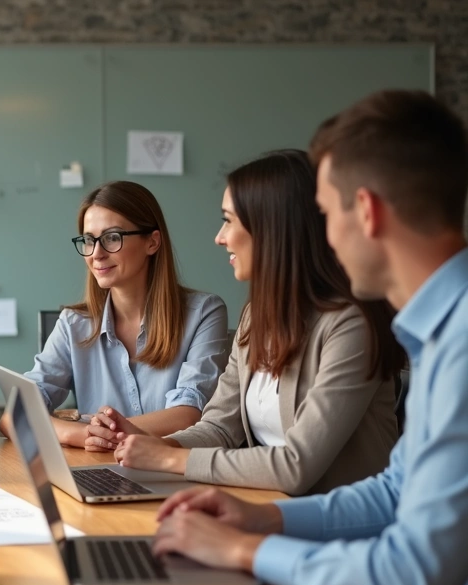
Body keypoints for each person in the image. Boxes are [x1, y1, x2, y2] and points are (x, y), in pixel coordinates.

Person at [151, 90, 468, 585]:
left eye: (324, 214)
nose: (321, 235)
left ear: (365, 212)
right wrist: (264, 517)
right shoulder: (438, 330)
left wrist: (245, 551)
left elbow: (411, 577)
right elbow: (397, 489)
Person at [97, 150, 404, 496]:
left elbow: (296, 465)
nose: (220, 237)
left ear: (272, 228)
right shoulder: (256, 316)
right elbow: (219, 427)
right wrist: (158, 445)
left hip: (342, 530)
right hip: (267, 508)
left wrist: (170, 460)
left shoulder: (352, 325)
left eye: (229, 220)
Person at [1, 181, 228, 450]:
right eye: (88, 240)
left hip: (174, 470)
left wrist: (104, 433)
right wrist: (83, 435)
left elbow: (189, 414)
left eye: (112, 237)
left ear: (152, 242)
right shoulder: (74, 324)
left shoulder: (204, 313)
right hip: (99, 473)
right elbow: (12, 416)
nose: (96, 253)